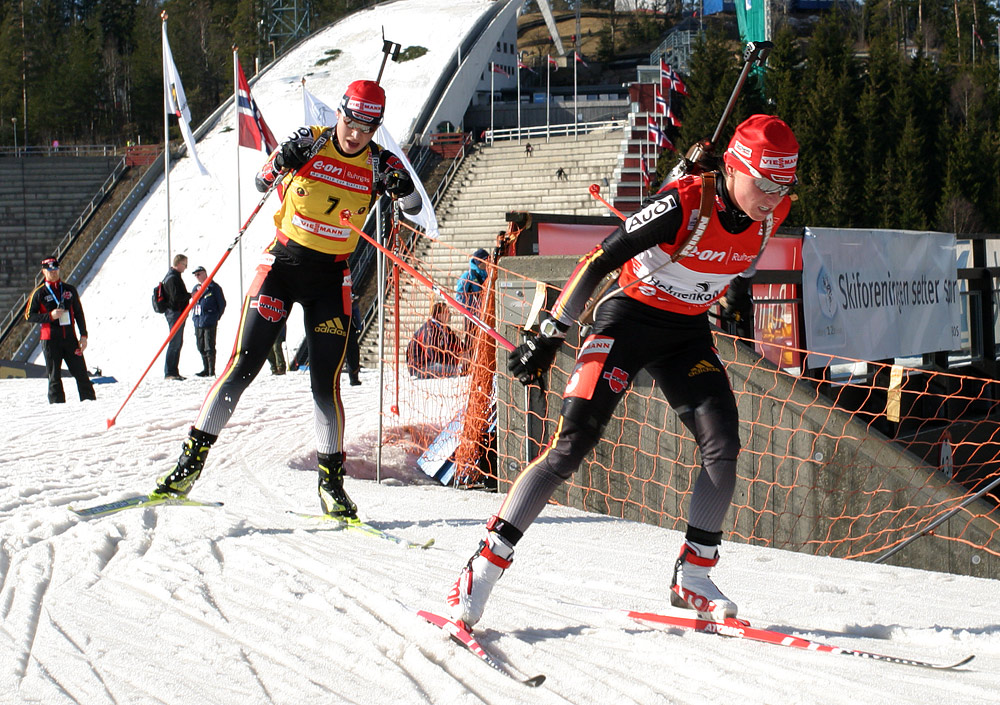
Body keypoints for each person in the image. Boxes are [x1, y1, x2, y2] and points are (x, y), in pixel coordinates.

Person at [446, 114, 799, 627]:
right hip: (627, 319)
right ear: (733, 167)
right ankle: (484, 565)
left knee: (723, 444)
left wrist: (734, 303)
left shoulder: (773, 211)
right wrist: (550, 332)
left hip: (686, 335)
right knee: (572, 444)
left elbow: (733, 265)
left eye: (782, 186)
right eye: (763, 184)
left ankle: (694, 576)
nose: (772, 197)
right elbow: (596, 260)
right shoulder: (684, 203)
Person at [149, 78, 421, 519]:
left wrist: (401, 185)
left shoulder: (379, 162)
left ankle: (331, 485)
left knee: (325, 383)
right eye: (351, 121)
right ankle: (189, 465)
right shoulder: (310, 143)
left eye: (367, 128)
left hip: (331, 280)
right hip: (281, 268)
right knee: (242, 366)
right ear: (339, 113)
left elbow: (412, 209)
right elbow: (260, 183)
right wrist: (281, 162)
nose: (356, 133)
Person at [24, 257, 96, 403]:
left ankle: (90, 403)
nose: (54, 273)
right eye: (50, 270)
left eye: (56, 269)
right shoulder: (39, 293)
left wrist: (83, 335)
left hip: (70, 339)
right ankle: (58, 407)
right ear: (44, 271)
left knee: (81, 373)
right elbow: (28, 316)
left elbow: (79, 313)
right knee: (54, 376)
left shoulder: (69, 290)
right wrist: (49, 316)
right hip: (50, 340)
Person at [406, 302, 466, 379]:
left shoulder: (445, 329)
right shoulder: (429, 330)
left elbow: (458, 343)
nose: (449, 315)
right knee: (452, 370)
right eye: (447, 312)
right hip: (421, 366)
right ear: (439, 315)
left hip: (435, 364)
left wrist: (465, 352)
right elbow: (433, 355)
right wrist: (454, 358)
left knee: (455, 368)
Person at [190, 265, 226, 377]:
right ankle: (205, 368)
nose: (197, 277)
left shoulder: (214, 287)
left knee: (209, 346)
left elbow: (222, 303)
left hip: (209, 320)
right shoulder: (196, 288)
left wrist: (215, 316)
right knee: (200, 345)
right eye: (196, 275)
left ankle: (211, 370)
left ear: (205, 273)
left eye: (199, 274)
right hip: (198, 320)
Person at [161, 253, 190, 380]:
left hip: (178, 312)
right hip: (174, 313)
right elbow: (176, 297)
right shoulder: (172, 278)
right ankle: (169, 372)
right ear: (178, 264)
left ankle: (174, 371)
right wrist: (190, 295)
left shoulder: (175, 276)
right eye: (184, 264)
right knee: (175, 341)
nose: (186, 267)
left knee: (178, 342)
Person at [455, 248, 489, 342]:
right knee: (472, 340)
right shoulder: (468, 276)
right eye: (485, 261)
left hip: (487, 312)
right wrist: (469, 312)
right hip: (473, 316)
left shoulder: (489, 273)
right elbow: (459, 297)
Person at [342, 296, 362, 386]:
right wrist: (358, 326)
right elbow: (356, 314)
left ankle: (353, 377)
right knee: (352, 354)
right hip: (349, 327)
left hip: (340, 325)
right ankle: (354, 378)